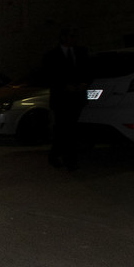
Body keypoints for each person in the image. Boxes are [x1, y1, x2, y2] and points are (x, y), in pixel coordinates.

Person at [42, 27, 91, 170]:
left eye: (74, 36)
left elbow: (88, 70)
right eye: (70, 36)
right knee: (63, 127)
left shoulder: (81, 52)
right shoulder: (52, 55)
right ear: (63, 37)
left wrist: (84, 83)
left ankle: (66, 157)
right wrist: (63, 86)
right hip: (61, 98)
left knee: (72, 128)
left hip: (77, 96)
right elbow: (49, 75)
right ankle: (62, 156)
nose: (73, 39)